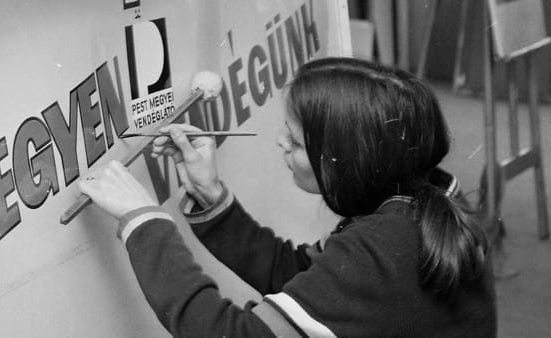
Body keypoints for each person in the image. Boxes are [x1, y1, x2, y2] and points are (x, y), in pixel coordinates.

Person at [78, 57, 497, 337]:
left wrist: (145, 222)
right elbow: (300, 276)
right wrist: (211, 195)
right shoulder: (415, 204)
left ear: (343, 162)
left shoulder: (387, 246)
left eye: (295, 141)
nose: (280, 142)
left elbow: (230, 333)